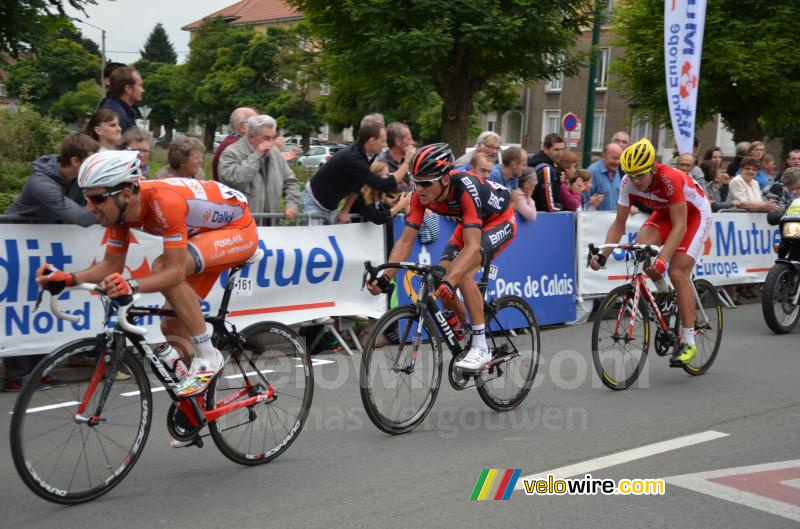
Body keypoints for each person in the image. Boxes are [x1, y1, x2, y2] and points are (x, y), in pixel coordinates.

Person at [36, 150, 258, 398]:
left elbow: (173, 272)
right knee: (171, 325)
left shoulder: (165, 202)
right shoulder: (121, 213)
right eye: (86, 199)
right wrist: (68, 279)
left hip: (237, 229)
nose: (88, 209)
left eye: (97, 199)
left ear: (126, 193)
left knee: (163, 266)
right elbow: (111, 266)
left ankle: (209, 356)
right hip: (201, 236)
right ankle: (196, 406)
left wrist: (130, 286)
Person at [367, 143, 516, 372]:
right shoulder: (420, 196)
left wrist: (452, 278)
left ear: (445, 179)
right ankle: (467, 325)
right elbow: (406, 241)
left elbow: (473, 246)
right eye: (415, 181)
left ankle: (480, 346)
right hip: (467, 225)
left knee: (462, 274)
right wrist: (386, 277)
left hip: (498, 221)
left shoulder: (465, 188)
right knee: (440, 277)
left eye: (426, 182)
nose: (420, 188)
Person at [589, 138, 712, 367]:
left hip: (694, 215)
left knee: (677, 272)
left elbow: (681, 227)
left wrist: (664, 259)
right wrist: (603, 255)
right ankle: (664, 295)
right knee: (641, 252)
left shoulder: (669, 178)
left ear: (653, 168)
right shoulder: (627, 183)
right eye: (631, 175)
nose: (635, 180)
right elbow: (618, 224)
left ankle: (687, 340)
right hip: (664, 214)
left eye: (640, 175)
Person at [302, 114, 411, 225]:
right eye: (383, 141)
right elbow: (382, 184)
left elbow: (358, 184)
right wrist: (407, 162)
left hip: (331, 205)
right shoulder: (353, 158)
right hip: (314, 201)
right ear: (372, 140)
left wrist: (345, 210)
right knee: (316, 240)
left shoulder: (369, 153)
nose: (385, 145)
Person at [218, 114, 301, 224]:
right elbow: (234, 181)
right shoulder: (231, 153)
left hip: (271, 225)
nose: (271, 143)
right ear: (251, 136)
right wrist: (256, 156)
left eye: (273, 137)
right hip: (242, 226)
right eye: (266, 138)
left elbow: (290, 182)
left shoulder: (275, 153)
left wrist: (292, 204)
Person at [5, 133, 99, 226]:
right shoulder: (41, 184)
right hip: (11, 234)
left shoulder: (79, 176)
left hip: (48, 234)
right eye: (91, 161)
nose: (96, 166)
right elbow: (81, 218)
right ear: (75, 161)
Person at [212, 107, 258, 181]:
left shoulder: (232, 141)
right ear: (242, 127)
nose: (261, 127)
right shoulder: (234, 146)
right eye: (256, 123)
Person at [98, 66, 143, 132]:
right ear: (128, 89)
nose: (142, 90)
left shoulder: (114, 109)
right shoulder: (117, 115)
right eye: (140, 86)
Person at [529, 133, 565, 212]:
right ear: (546, 149)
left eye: (562, 149)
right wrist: (563, 208)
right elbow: (550, 207)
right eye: (556, 150)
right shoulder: (545, 169)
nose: (560, 153)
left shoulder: (550, 164)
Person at [586, 142, 623, 211]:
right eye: (614, 158)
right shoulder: (592, 172)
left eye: (620, 158)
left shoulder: (618, 172)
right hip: (595, 220)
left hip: (613, 219)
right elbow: (582, 202)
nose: (618, 162)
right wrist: (591, 204)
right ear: (603, 157)